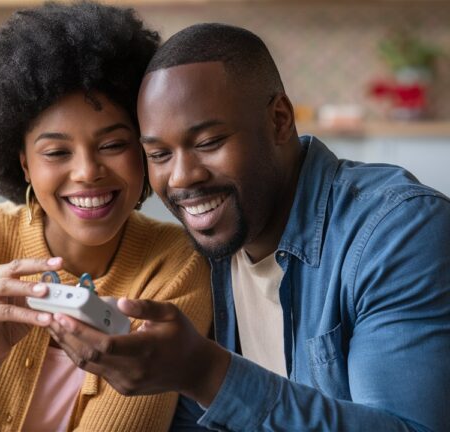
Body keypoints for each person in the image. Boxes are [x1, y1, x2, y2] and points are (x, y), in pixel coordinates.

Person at [48, 23, 450, 431]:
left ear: (279, 120)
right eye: (159, 154)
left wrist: (206, 374)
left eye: (208, 143)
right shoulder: (207, 251)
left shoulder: (398, 232)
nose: (183, 177)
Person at [0, 4, 212, 431]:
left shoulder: (175, 267)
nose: (87, 172)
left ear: (144, 148)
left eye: (113, 144)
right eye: (57, 152)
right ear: (23, 163)